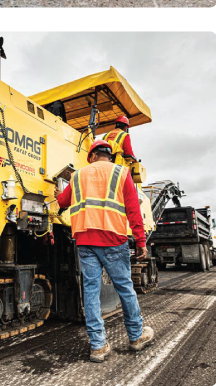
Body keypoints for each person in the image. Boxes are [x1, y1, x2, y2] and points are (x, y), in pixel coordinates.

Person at [56, 139, 154, 362]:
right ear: (109, 156)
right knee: (125, 288)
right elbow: (133, 211)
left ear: (91, 156)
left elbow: (62, 201)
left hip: (85, 242)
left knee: (91, 291)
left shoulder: (78, 175)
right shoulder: (121, 173)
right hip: (113, 240)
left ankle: (98, 346)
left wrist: (56, 194)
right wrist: (140, 241)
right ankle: (136, 337)